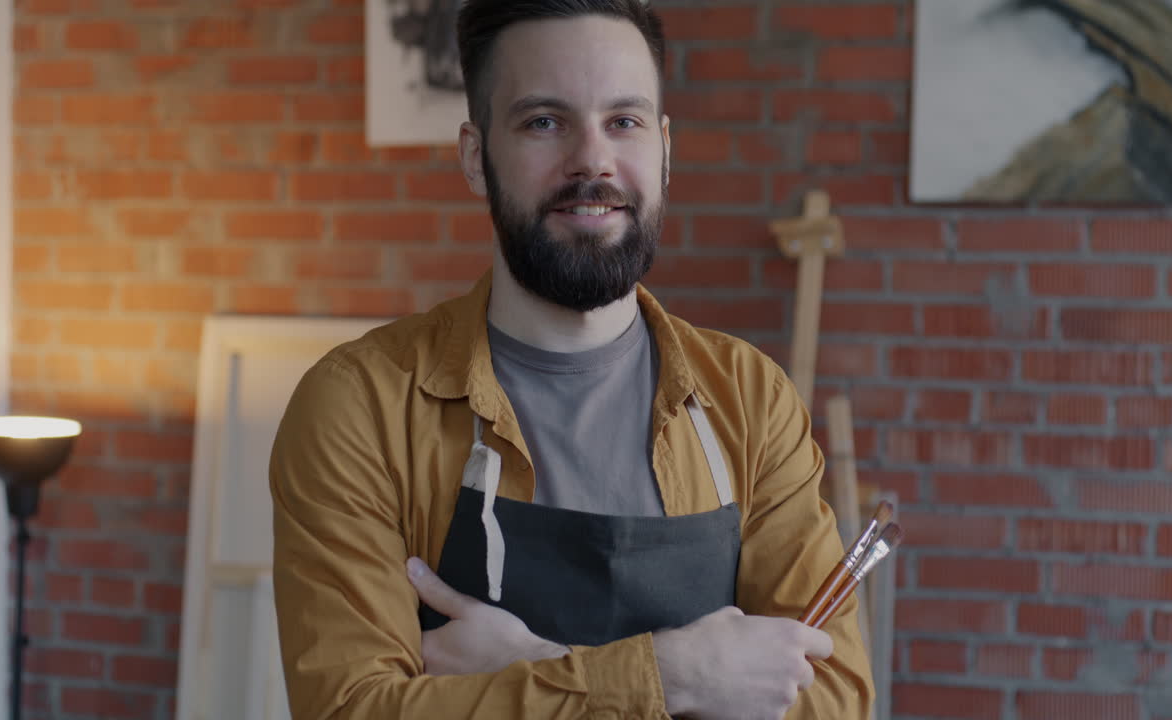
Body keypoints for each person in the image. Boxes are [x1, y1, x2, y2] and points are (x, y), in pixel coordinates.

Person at [268, 1, 875, 718]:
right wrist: (681, 677)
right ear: (475, 155)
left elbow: (830, 700)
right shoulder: (360, 407)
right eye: (544, 122)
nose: (592, 160)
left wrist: (538, 668)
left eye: (625, 121)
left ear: (665, 148)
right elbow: (352, 709)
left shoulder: (750, 399)